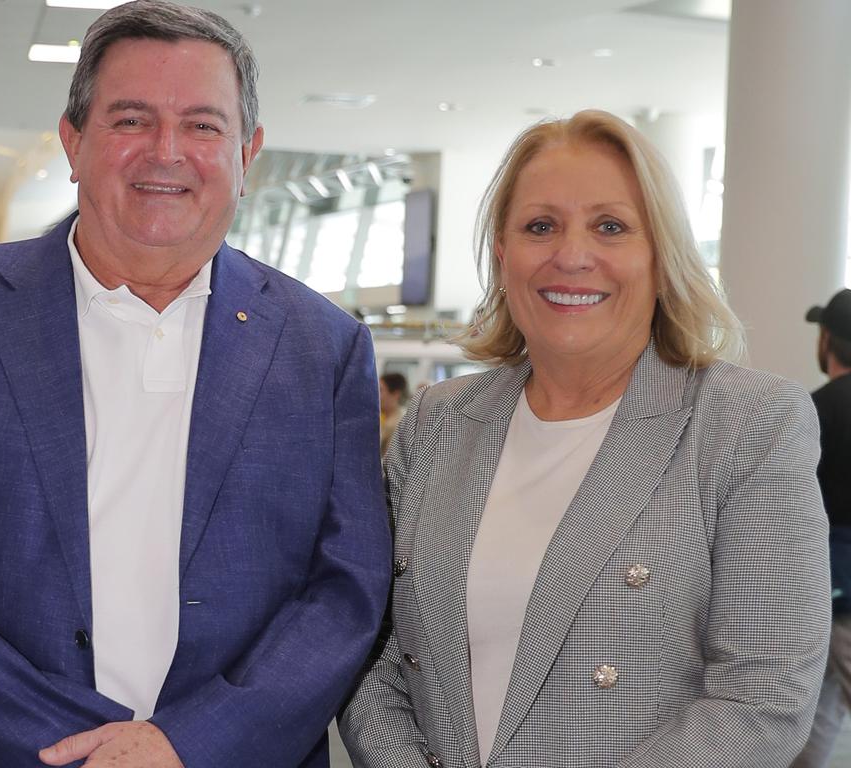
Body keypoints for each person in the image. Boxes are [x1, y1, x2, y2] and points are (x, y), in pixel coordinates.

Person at [0, 2, 391, 766]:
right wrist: (73, 745)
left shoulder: (322, 346)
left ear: (248, 152)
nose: (167, 152)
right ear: (73, 141)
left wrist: (185, 744)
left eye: (203, 125)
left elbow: (346, 591)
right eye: (131, 120)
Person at [339, 110, 830, 768]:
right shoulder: (436, 423)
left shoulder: (747, 424)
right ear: (503, 256)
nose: (572, 255)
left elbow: (761, 697)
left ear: (661, 259)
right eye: (541, 226)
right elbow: (369, 651)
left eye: (610, 226)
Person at [792, 288, 851, 767]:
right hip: (836, 593)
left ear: (828, 340)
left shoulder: (813, 410)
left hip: (833, 586)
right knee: (820, 710)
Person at [379, 372, 408, 457]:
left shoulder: (400, 423)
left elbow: (390, 461)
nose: (375, 394)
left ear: (396, 394)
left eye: (380, 390)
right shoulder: (382, 417)